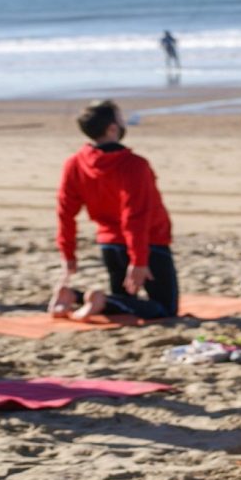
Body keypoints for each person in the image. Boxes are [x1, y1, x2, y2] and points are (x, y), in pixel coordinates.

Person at [48, 100, 179, 322]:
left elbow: (65, 213)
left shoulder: (75, 163)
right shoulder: (134, 165)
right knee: (165, 309)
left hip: (110, 245)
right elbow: (135, 215)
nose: (123, 122)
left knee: (123, 303)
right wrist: (139, 261)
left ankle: (74, 296)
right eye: (120, 119)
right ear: (112, 128)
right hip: (148, 243)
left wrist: (68, 254)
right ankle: (99, 301)